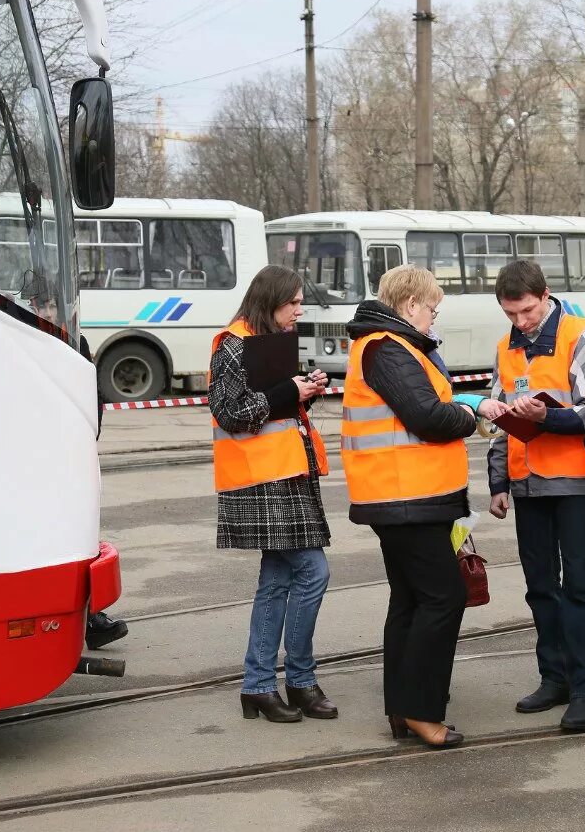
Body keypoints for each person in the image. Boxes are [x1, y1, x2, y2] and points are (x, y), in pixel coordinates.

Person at [342, 266, 505, 749]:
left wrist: (461, 404)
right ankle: (420, 711)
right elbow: (428, 417)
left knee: (412, 601)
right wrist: (471, 414)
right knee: (442, 597)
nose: (435, 317)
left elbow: (424, 406)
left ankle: (404, 707)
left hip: (406, 495)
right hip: (407, 496)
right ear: (411, 305)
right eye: (433, 308)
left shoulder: (389, 345)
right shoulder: (387, 347)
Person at [208, 265, 336, 724]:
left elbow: (272, 403)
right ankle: (300, 679)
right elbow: (229, 411)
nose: (300, 311)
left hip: (285, 476)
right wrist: (289, 389)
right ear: (271, 301)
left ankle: (259, 686)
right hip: (262, 481)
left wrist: (304, 392)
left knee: (277, 581)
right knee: (313, 572)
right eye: (294, 303)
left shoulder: (268, 340)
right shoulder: (234, 343)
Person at [487, 260, 585, 732]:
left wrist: (544, 417)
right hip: (525, 483)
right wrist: (498, 482)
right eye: (511, 314)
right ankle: (553, 677)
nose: (521, 322)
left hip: (574, 480)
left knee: (579, 583)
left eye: (528, 310)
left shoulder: (581, 335)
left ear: (546, 294)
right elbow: (500, 417)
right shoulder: (506, 346)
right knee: (540, 584)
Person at [28, 281, 128, 651]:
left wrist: (86, 440)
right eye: (43, 306)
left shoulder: (76, 342)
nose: (49, 313)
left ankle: (90, 618)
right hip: (36, 460)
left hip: (70, 458)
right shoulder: (19, 338)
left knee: (77, 536)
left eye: (54, 306)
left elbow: (94, 397)